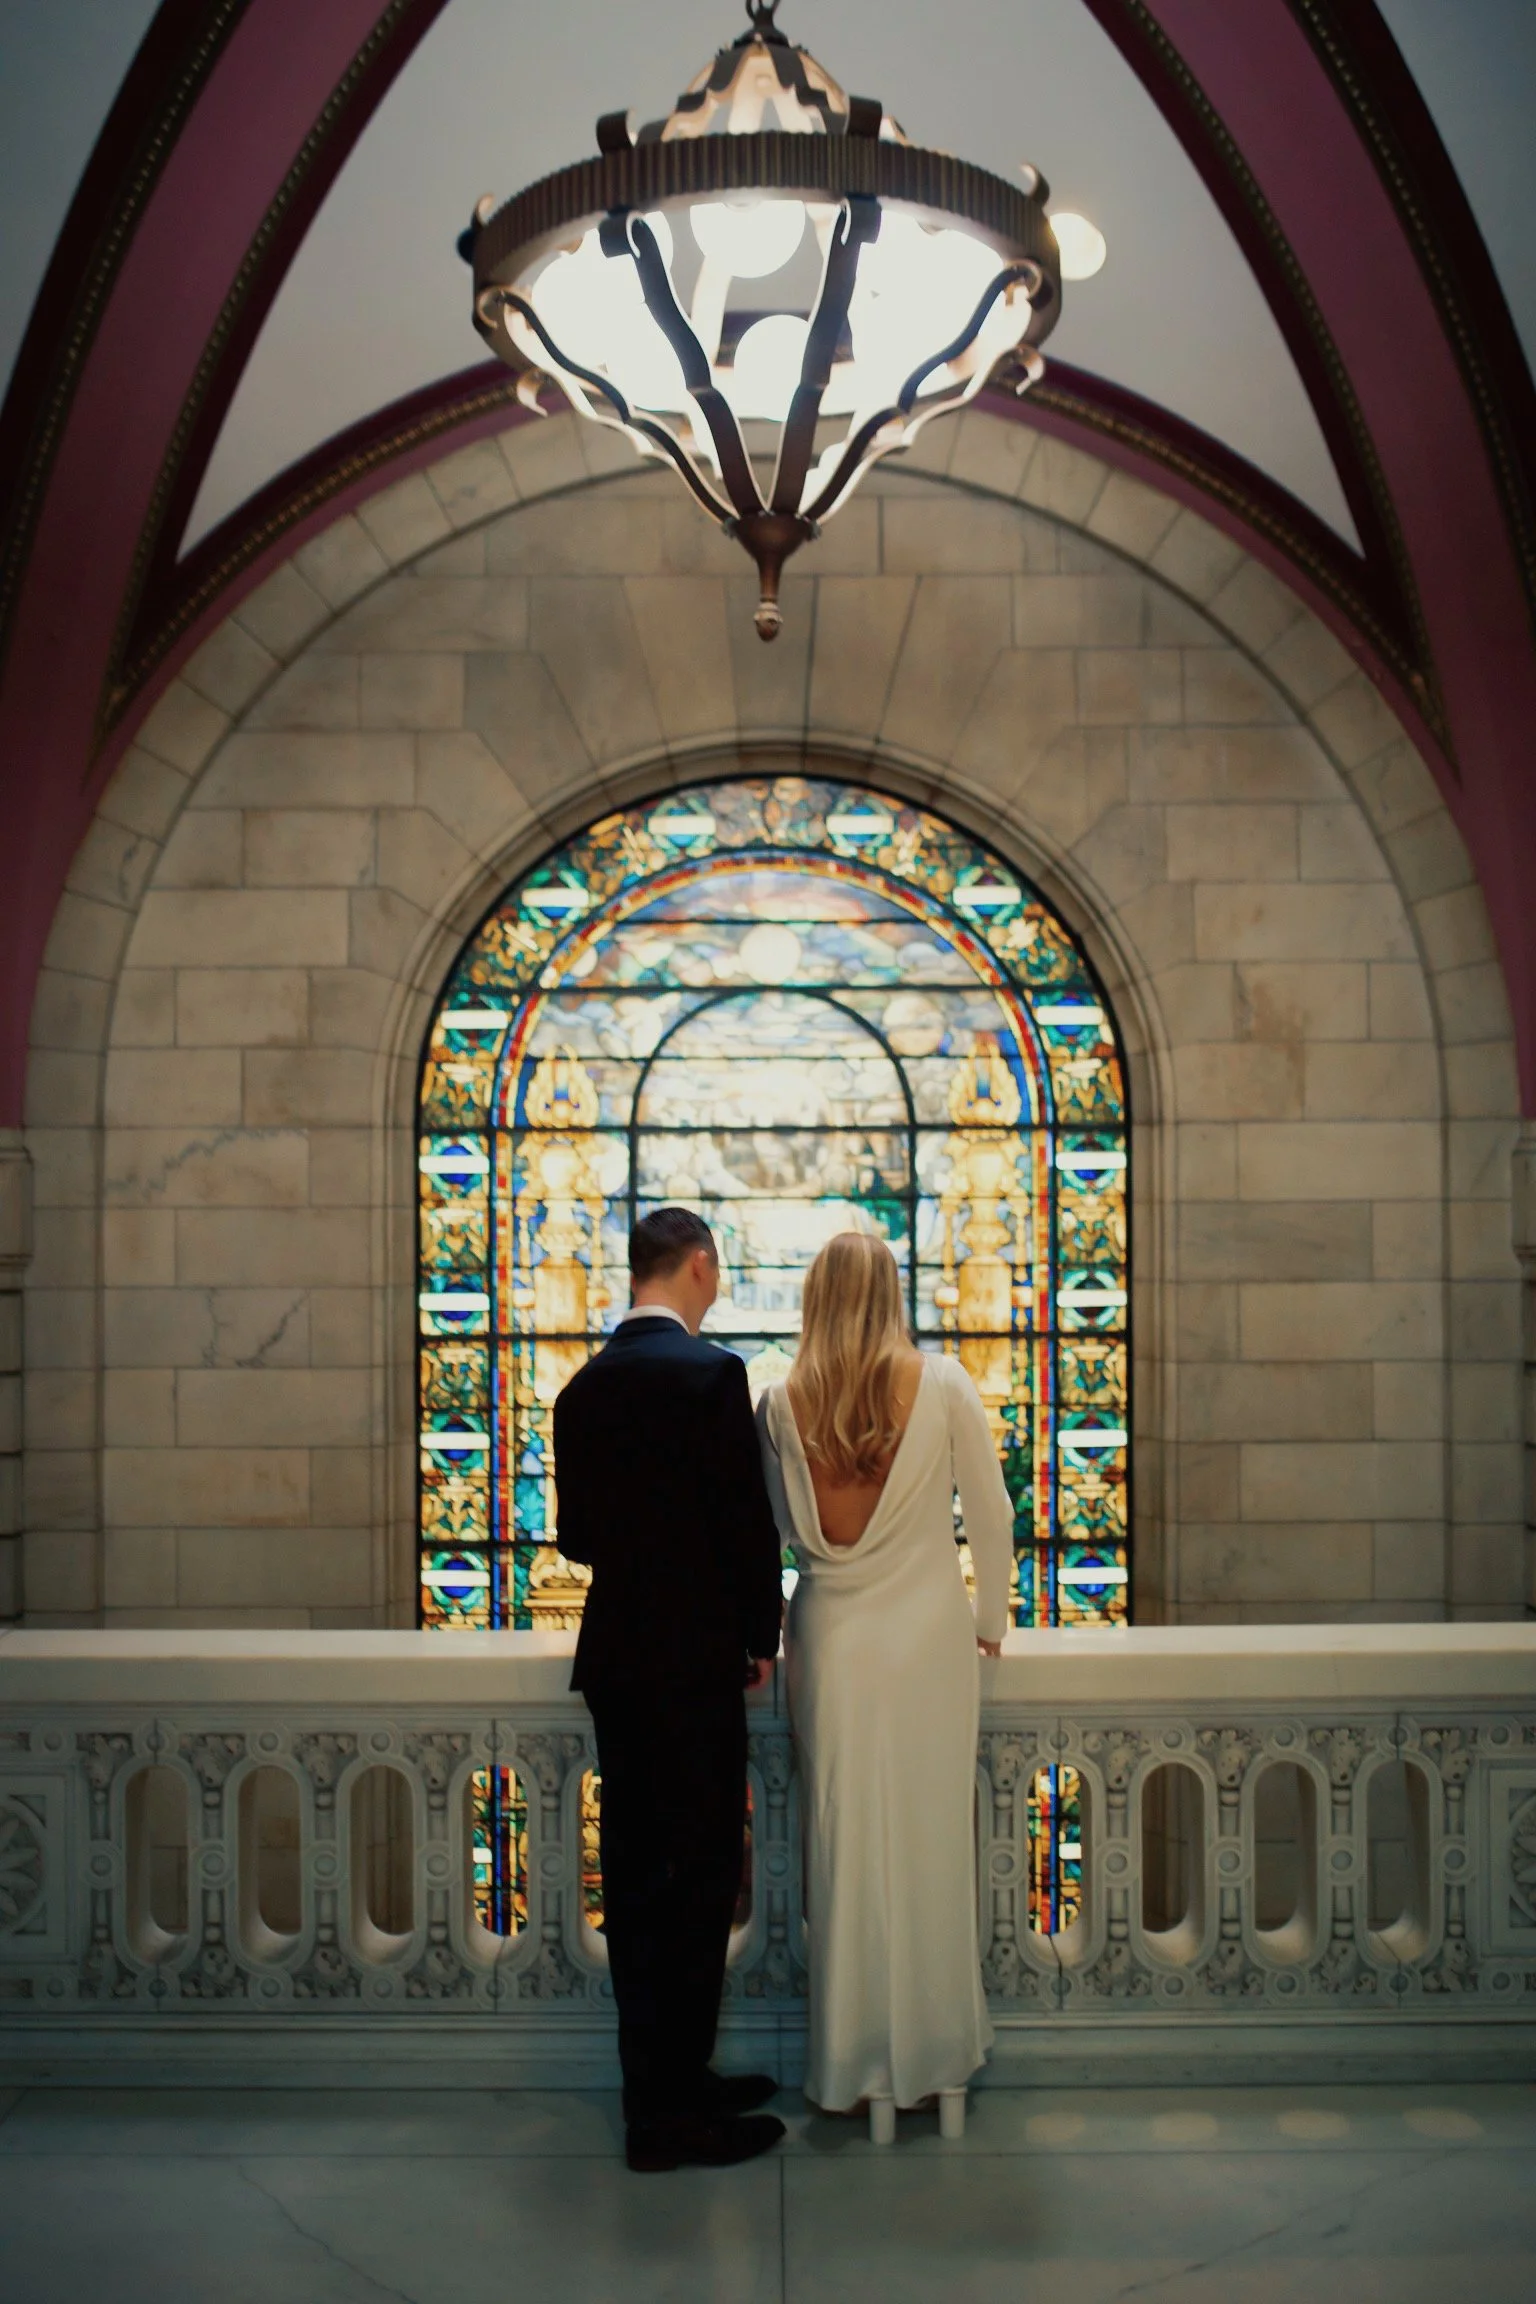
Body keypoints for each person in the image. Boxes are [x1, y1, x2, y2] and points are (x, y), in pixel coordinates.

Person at [756, 1230, 1012, 2142]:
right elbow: (992, 1514)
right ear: (892, 1291)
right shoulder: (942, 1385)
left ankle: (852, 2072)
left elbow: (783, 1526)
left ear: (815, 1297)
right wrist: (992, 1624)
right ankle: (937, 2077)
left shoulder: (781, 1403)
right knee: (931, 1847)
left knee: (845, 1847)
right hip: (929, 1642)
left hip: (833, 1639)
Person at [553, 1206, 787, 2174]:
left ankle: (662, 2086)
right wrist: (758, 1637)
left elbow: (575, 1541)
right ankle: (672, 2116)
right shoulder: (713, 1376)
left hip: (619, 1662)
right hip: (693, 1663)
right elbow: (746, 1528)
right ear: (697, 1265)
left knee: (639, 1889)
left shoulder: (582, 1389)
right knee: (694, 1886)